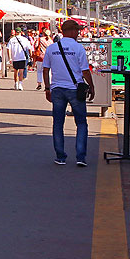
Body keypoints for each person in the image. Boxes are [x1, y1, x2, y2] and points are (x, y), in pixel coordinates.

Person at [42, 20, 94, 167]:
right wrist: (92, 86)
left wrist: (47, 88)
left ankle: (60, 156)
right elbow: (84, 71)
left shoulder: (52, 48)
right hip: (75, 89)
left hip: (57, 89)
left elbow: (45, 69)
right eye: (77, 31)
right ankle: (81, 157)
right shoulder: (78, 48)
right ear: (72, 31)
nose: (78, 33)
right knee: (81, 123)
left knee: (58, 123)